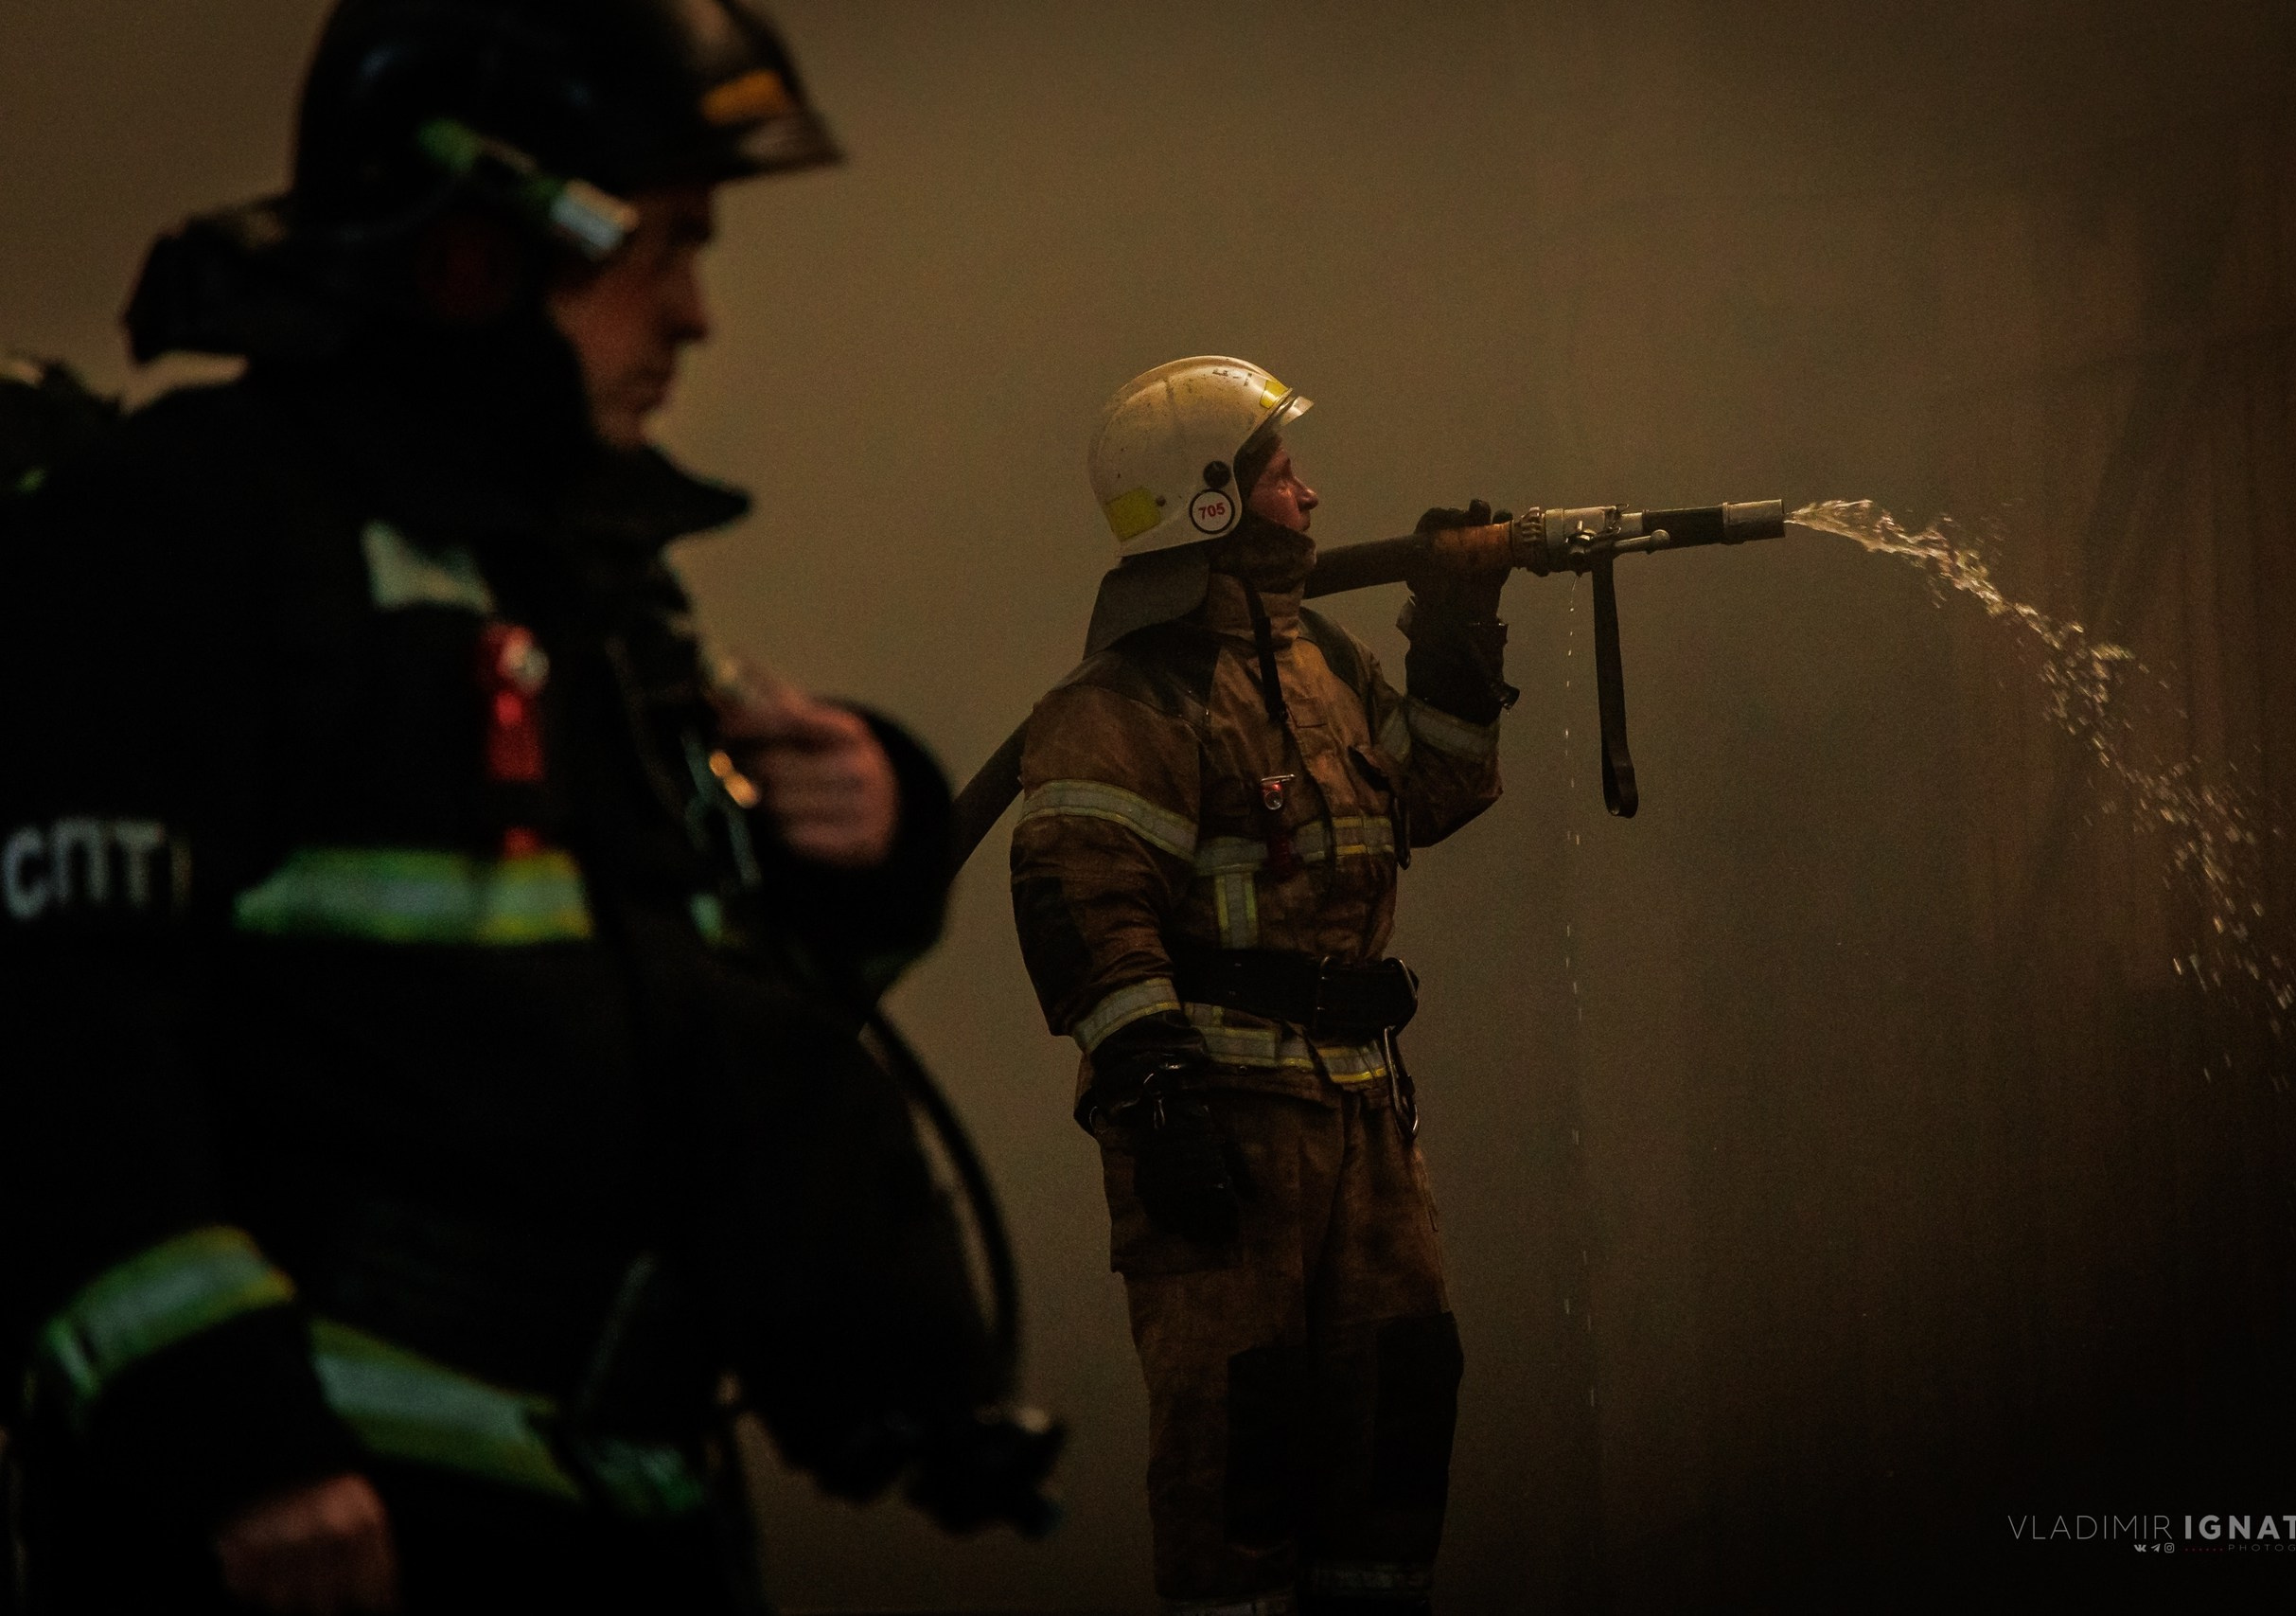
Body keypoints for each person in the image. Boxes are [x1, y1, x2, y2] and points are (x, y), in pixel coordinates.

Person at [0, 4, 1051, 1611]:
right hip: (315, 1543)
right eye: (661, 247)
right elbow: (57, 1037)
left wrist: (865, 837)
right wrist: (238, 1449)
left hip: (622, 1517)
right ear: (473, 252)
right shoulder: (192, 528)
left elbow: (667, 1027)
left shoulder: (576, 588)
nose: (696, 315)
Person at [1009, 357, 1514, 1615]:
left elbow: (1433, 791)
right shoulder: (1118, 703)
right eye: (1284, 474)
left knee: (1396, 1420)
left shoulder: (1317, 659)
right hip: (1228, 1142)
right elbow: (1083, 907)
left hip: (1362, 1121)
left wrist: (1455, 631)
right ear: (1213, 502)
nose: (1313, 495)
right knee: (1244, 1458)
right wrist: (1160, 1106)